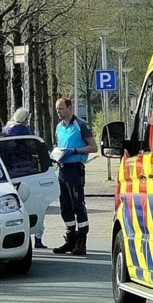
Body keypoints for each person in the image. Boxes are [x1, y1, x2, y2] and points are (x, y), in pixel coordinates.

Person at [52, 97, 97, 255]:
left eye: (62, 108)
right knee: (65, 206)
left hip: (75, 169)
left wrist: (76, 151)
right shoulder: (59, 127)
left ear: (70, 107)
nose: (59, 112)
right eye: (57, 109)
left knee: (78, 204)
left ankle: (81, 241)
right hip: (62, 168)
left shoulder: (81, 125)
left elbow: (93, 147)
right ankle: (70, 239)